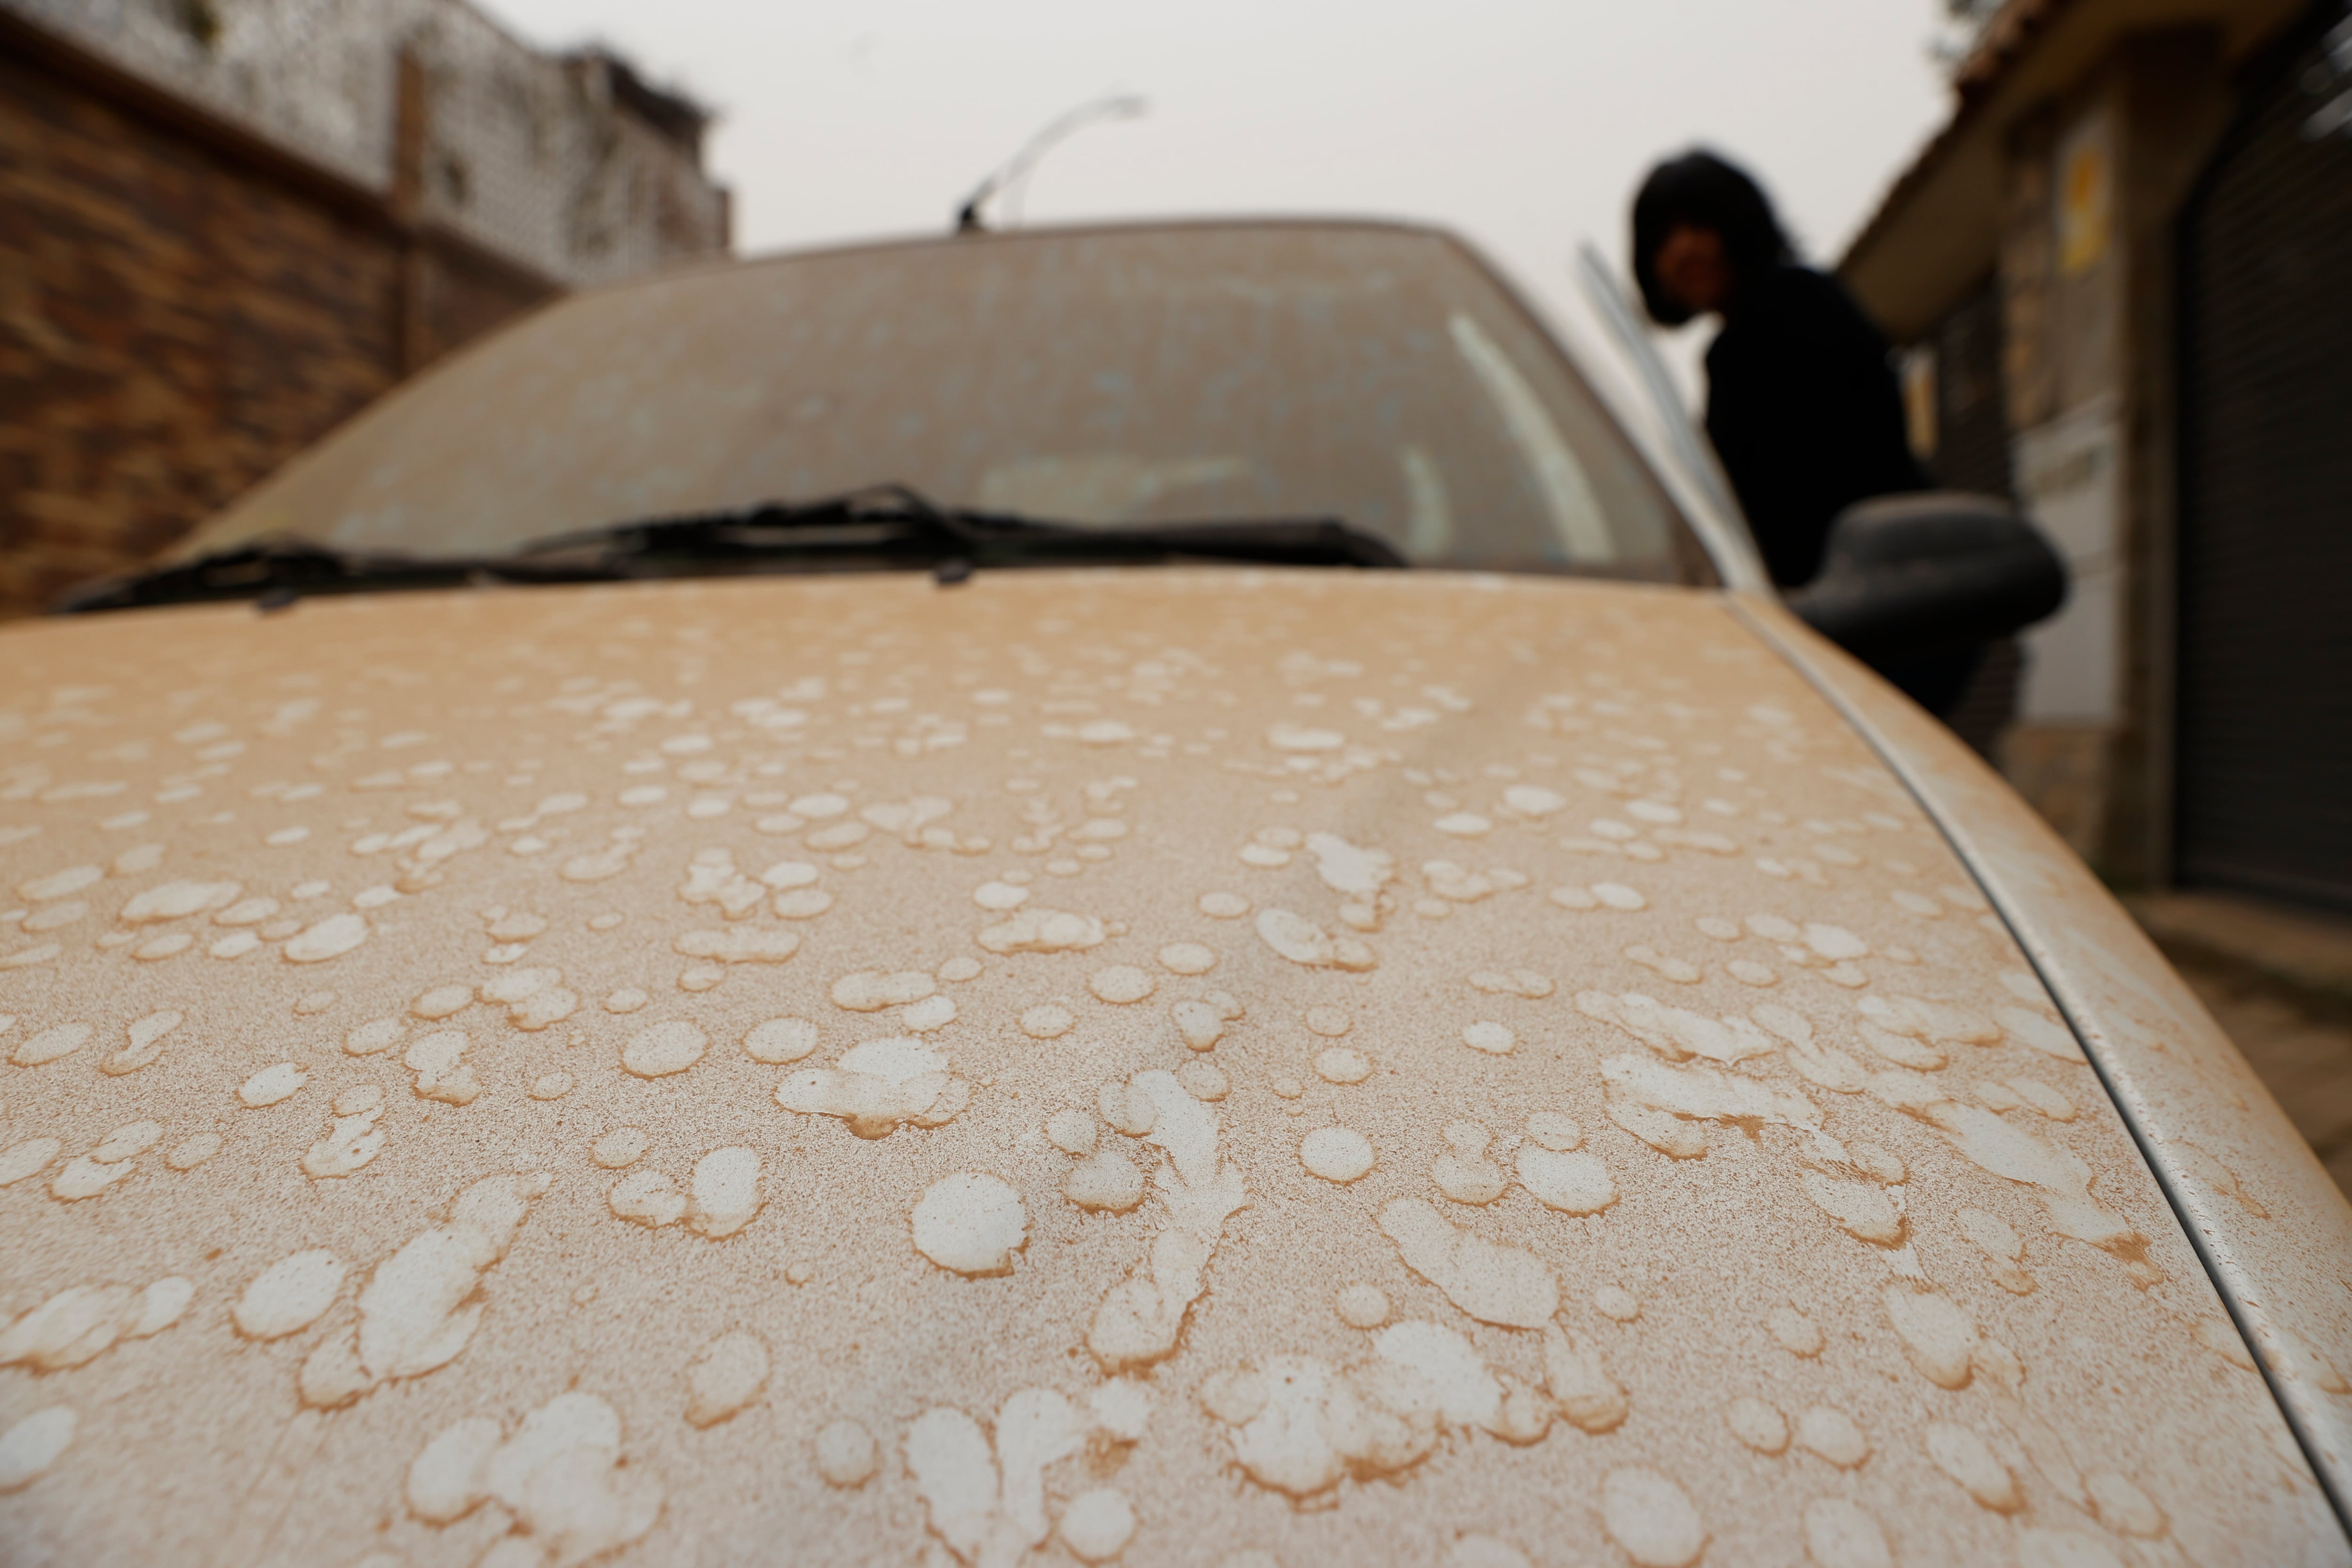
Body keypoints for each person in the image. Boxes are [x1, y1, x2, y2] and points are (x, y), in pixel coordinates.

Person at [1632, 151, 1981, 717]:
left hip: (1872, 625)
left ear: (1736, 225)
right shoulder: (1767, 325)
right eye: (1662, 238)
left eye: (1698, 226)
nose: (1682, 251)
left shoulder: (1782, 320)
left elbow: (1783, 498)